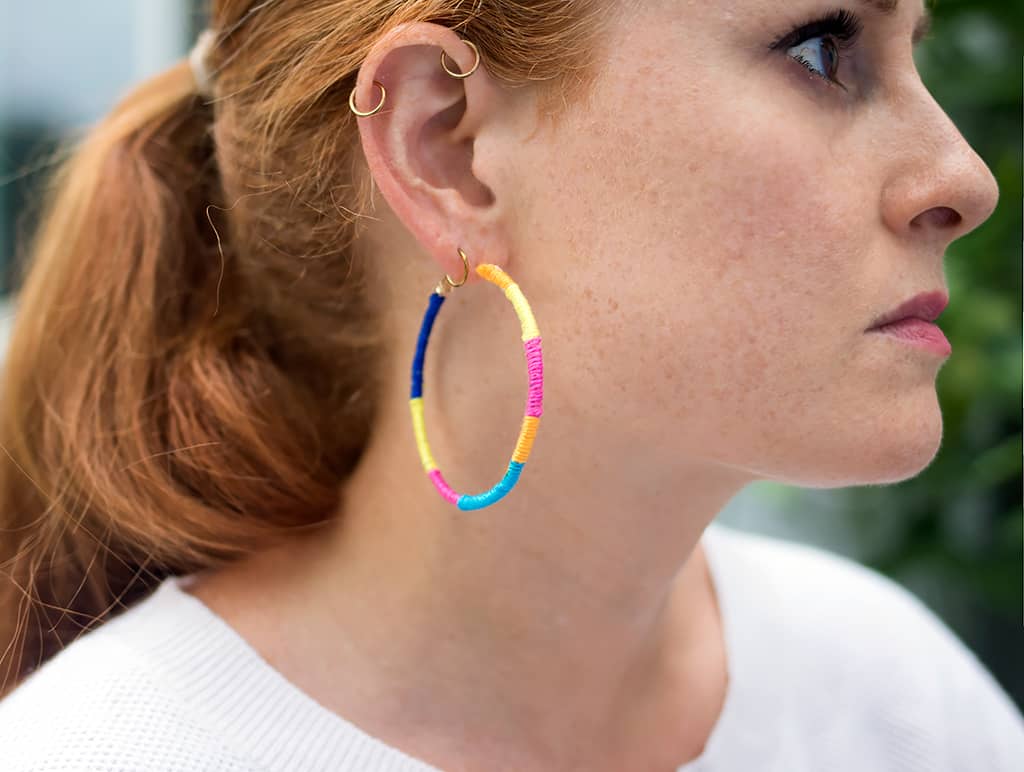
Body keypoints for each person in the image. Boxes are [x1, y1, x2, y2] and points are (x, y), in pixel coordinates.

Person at [0, 1, 1020, 770]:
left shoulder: (898, 705)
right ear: (446, 145)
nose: (963, 178)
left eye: (912, 58)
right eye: (821, 48)